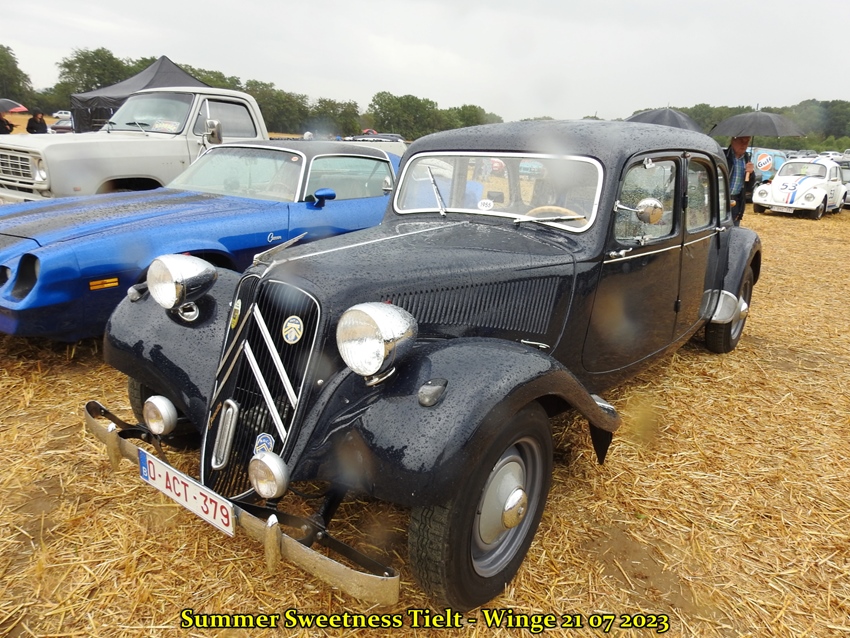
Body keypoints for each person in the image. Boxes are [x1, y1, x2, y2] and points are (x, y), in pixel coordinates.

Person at [725, 136, 754, 226]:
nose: (744, 144)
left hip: (736, 203)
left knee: (734, 231)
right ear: (733, 140)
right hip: (721, 200)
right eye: (741, 141)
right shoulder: (723, 156)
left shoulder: (747, 160)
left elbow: (749, 187)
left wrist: (751, 173)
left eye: (747, 141)